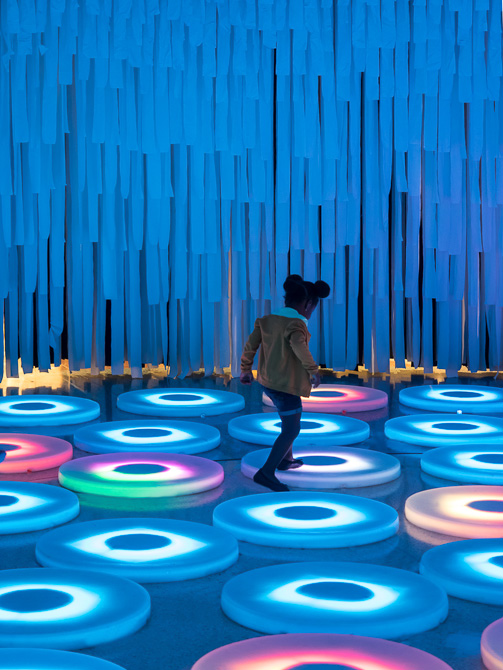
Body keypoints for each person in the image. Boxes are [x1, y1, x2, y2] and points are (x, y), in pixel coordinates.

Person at [240, 274, 331, 492]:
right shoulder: (296, 324)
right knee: (291, 428)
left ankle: (285, 459)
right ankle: (266, 472)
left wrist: (245, 369)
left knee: (289, 419)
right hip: (285, 385)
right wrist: (313, 370)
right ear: (307, 304)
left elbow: (251, 345)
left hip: (268, 382)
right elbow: (300, 347)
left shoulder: (266, 320)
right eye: (312, 308)